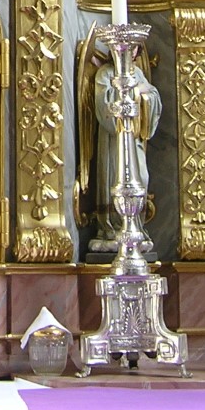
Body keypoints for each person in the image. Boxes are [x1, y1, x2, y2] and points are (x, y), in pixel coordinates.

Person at [86, 43, 162, 254]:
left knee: (141, 177)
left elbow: (152, 97)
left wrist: (145, 96)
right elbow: (104, 105)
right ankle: (113, 229)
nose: (129, 51)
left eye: (133, 48)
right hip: (114, 140)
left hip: (134, 137)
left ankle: (135, 225)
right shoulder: (105, 73)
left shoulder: (138, 73)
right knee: (116, 177)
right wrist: (136, 91)